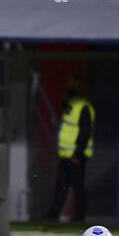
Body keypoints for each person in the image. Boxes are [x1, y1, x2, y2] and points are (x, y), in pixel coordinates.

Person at [45, 75, 95, 222]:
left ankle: (79, 216)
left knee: (77, 186)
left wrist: (77, 154)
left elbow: (84, 133)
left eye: (73, 84)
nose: (69, 87)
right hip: (66, 154)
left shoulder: (84, 107)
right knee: (61, 186)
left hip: (75, 155)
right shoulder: (72, 104)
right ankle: (53, 214)